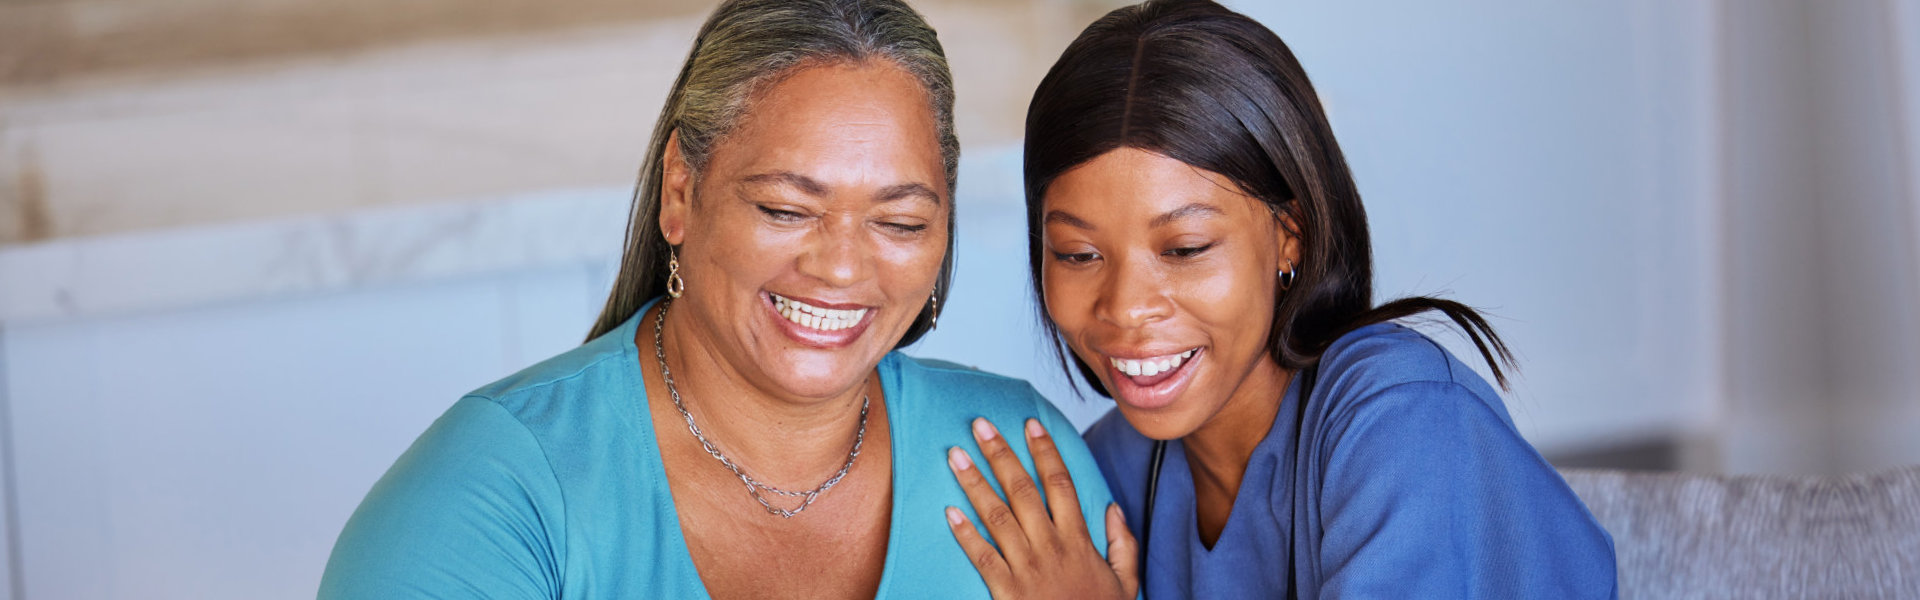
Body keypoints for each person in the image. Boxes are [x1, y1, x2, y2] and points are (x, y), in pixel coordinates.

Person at [318, 1, 1118, 597]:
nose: (842, 266)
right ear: (680, 191)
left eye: (899, 220)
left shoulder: (1018, 459)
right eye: (785, 209)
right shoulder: (491, 494)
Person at [943, 1, 1618, 597]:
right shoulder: (1114, 469)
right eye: (1079, 255)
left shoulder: (1404, 420)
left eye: (1184, 249)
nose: (1125, 307)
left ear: (1289, 236)